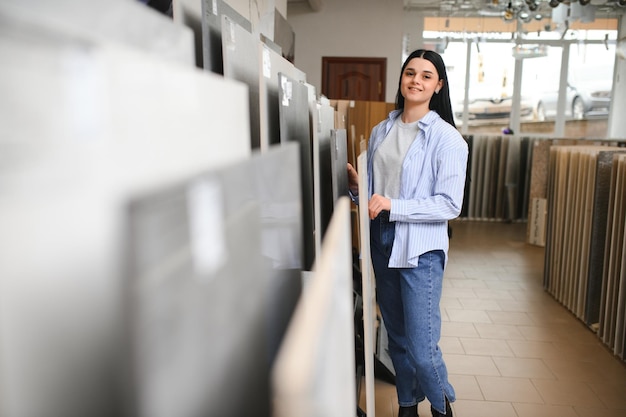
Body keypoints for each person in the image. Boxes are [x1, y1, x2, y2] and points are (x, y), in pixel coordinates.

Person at [347, 49, 468, 417]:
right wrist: (357, 189)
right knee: (396, 338)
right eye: (410, 73)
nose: (416, 80)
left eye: (426, 75)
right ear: (401, 79)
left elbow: (449, 204)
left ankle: (442, 406)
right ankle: (407, 407)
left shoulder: (448, 139)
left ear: (438, 85)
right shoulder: (382, 129)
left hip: (420, 248)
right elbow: (374, 197)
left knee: (422, 346)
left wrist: (392, 205)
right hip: (381, 240)